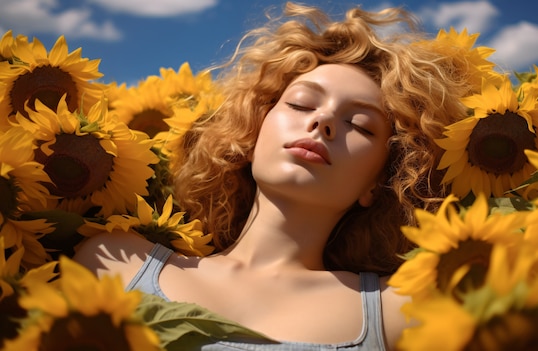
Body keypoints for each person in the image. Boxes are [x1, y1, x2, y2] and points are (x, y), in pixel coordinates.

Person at [74, 2, 471, 350]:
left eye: (361, 125)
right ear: (252, 131)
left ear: (378, 182)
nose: (323, 120)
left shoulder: (395, 313)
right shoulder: (117, 263)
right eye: (300, 104)